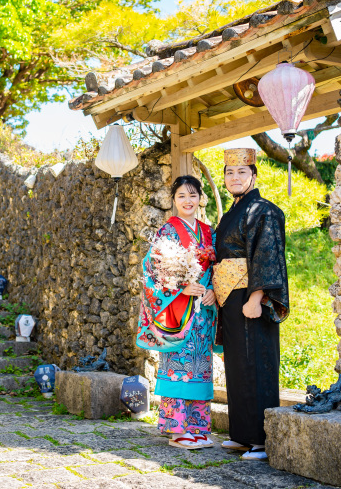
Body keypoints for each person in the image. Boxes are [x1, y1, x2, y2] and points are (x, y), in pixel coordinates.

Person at [212, 148, 289, 461]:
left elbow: (267, 254)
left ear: (254, 176)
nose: (235, 177)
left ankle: (261, 439)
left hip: (250, 296)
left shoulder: (263, 210)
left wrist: (258, 296)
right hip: (230, 296)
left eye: (242, 172)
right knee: (238, 365)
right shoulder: (234, 212)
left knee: (256, 363)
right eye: (230, 172)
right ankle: (242, 435)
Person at [139, 175, 219, 450]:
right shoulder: (167, 232)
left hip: (204, 312)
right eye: (182, 196)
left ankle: (197, 426)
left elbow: (217, 269)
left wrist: (213, 292)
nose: (188, 201)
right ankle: (176, 428)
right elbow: (153, 270)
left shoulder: (209, 232)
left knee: (201, 368)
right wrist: (181, 289)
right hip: (179, 312)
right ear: (173, 200)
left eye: (193, 195)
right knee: (178, 368)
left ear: (201, 199)